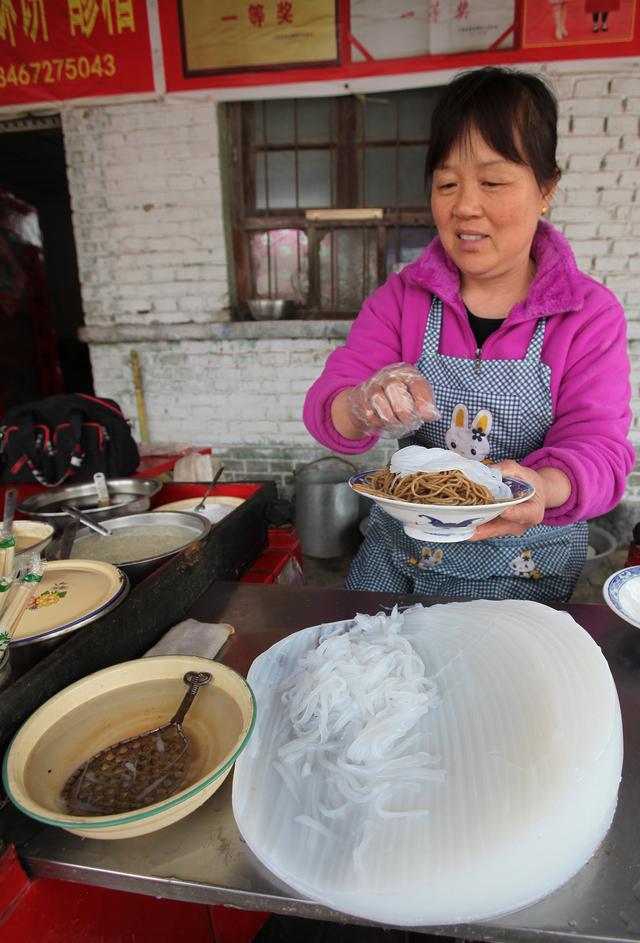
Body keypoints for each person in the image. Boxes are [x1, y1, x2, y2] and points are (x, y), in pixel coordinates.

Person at [303, 66, 635, 601]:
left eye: (494, 181)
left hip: (527, 564)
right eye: (447, 183)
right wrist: (362, 403)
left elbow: (600, 449)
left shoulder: (588, 315)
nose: (465, 206)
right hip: (399, 559)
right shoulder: (401, 299)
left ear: (546, 188)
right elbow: (331, 405)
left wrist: (540, 487)